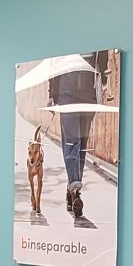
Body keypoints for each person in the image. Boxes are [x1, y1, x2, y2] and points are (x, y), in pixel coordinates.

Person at [48, 51, 109, 223]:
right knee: (71, 142)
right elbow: (55, 62)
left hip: (88, 92)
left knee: (81, 144)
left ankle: (72, 190)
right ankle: (75, 188)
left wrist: (103, 83)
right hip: (67, 89)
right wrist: (52, 94)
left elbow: (103, 58)